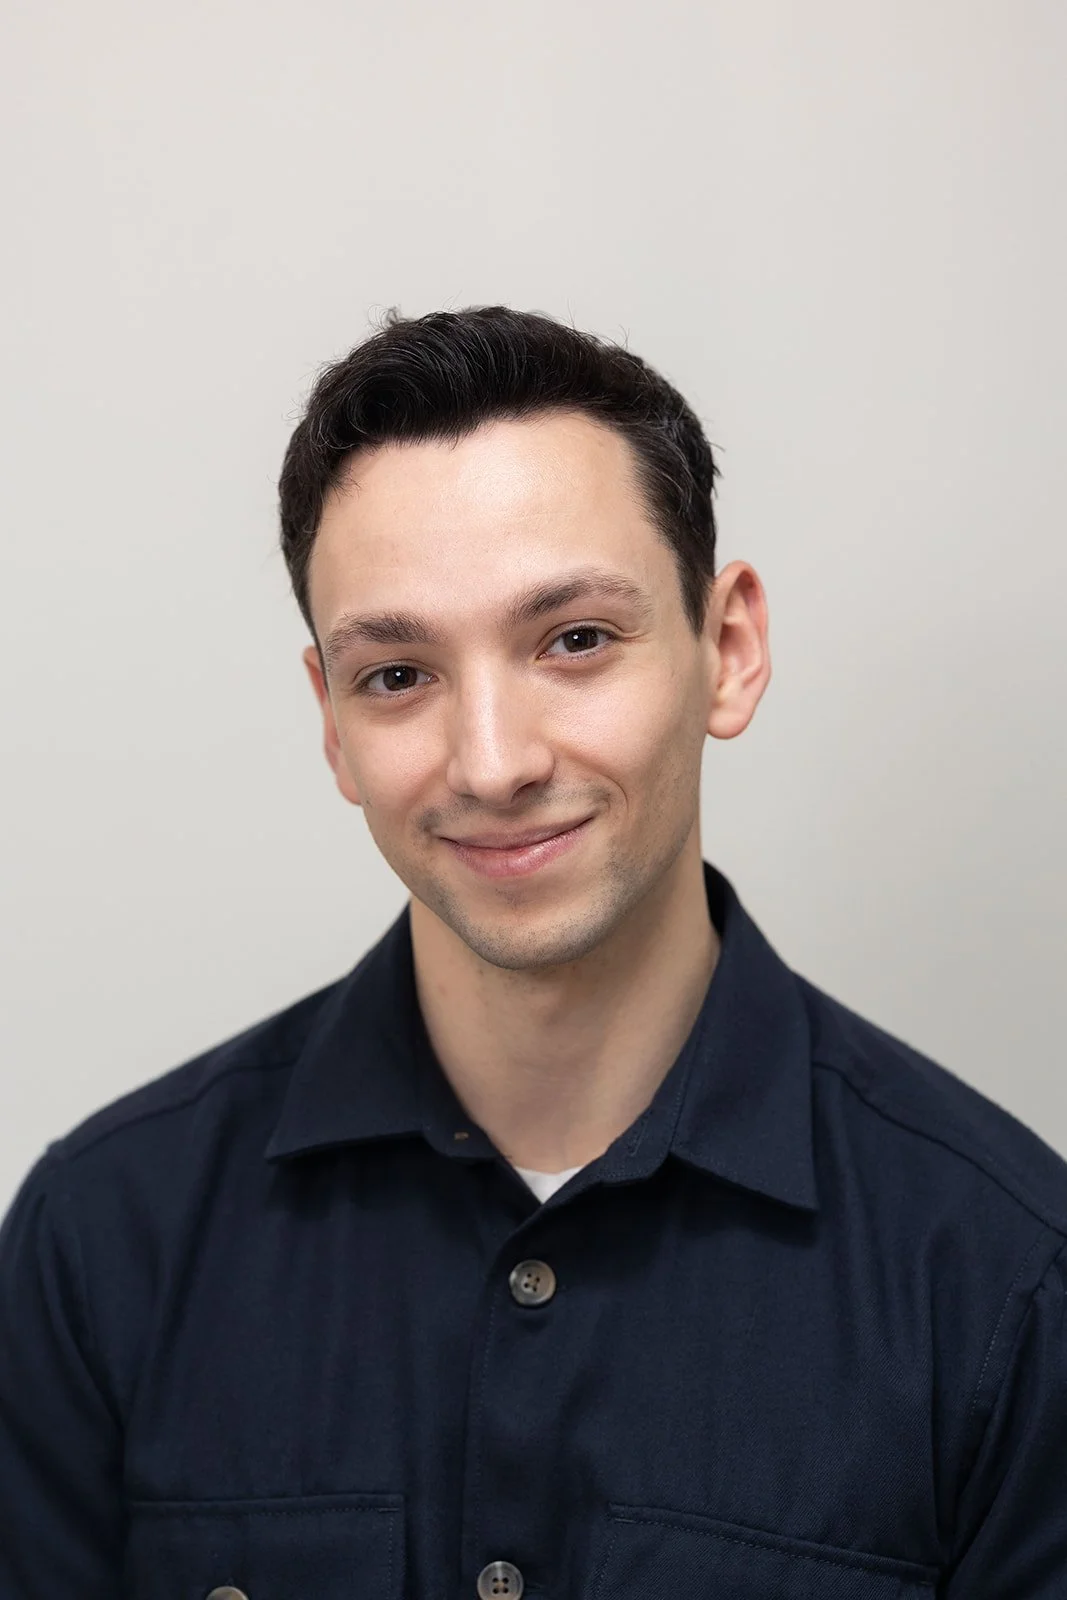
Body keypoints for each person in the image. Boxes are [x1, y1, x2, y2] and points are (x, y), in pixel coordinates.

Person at [1, 305, 1064, 1600]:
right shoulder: (103, 1239)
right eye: (397, 674)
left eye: (573, 641)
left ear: (725, 651)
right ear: (330, 725)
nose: (493, 762)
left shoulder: (1007, 1278)